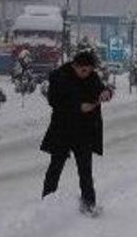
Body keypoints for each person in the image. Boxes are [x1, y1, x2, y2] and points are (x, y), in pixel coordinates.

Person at [40, 49, 114, 215]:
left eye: (90, 70)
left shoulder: (92, 77)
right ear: (75, 65)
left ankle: (89, 204)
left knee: (85, 170)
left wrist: (106, 93)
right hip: (63, 129)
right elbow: (54, 101)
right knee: (55, 168)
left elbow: (101, 89)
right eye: (84, 70)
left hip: (84, 131)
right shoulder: (59, 77)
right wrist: (78, 107)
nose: (86, 74)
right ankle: (46, 206)